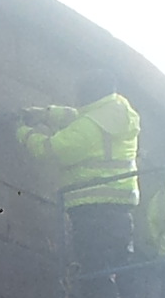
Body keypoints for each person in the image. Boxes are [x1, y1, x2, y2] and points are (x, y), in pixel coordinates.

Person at [15, 90, 140, 276]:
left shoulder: (89, 126)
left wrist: (23, 132)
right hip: (120, 210)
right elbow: (78, 117)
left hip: (92, 209)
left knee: (94, 272)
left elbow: (52, 150)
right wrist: (46, 114)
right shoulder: (117, 114)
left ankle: (101, 296)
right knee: (118, 269)